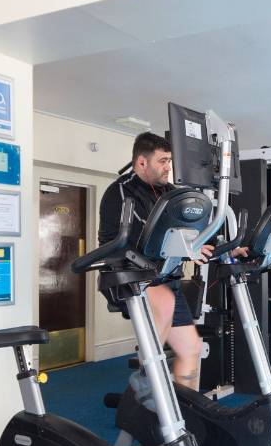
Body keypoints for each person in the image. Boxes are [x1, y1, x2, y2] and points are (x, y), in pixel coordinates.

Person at [97, 132, 244, 391]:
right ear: (142, 163)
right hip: (131, 279)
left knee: (192, 348)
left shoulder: (171, 194)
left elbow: (197, 235)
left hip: (168, 280)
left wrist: (227, 251)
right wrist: (180, 250)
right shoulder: (120, 192)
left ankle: (186, 410)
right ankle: (145, 395)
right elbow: (121, 242)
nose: (168, 167)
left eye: (170, 161)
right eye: (163, 161)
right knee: (163, 308)